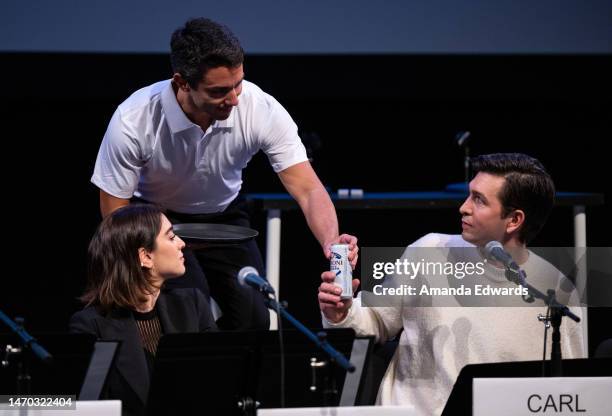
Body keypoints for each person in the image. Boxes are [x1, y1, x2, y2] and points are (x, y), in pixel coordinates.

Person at [91, 17, 357, 330]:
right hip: (157, 223)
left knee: (255, 318)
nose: (233, 99)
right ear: (182, 83)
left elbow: (308, 189)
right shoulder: (133, 120)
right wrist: (144, 255)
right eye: (219, 91)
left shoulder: (259, 108)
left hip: (224, 218)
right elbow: (114, 212)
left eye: (238, 84)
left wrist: (331, 244)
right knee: (189, 311)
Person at [318, 153, 585, 416]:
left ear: (514, 220)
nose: (464, 207)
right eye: (470, 194)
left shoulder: (555, 291)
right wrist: (342, 313)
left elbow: (573, 393)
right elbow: (375, 320)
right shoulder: (429, 250)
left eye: (479, 200)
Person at [70, 204, 217, 416]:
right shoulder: (92, 326)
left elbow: (214, 383)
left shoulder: (192, 304)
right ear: (145, 256)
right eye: (171, 236)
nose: (182, 244)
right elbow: (89, 406)